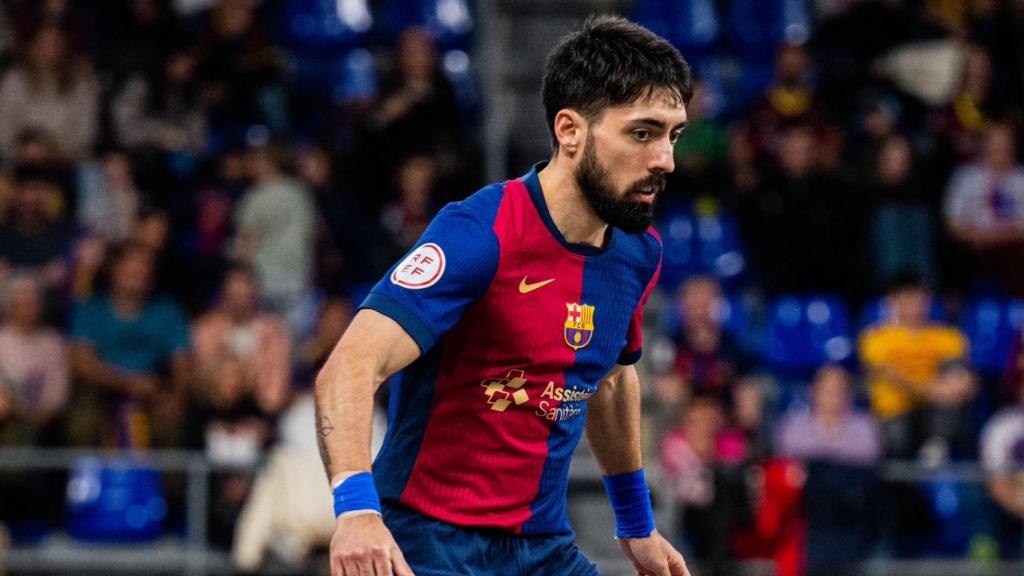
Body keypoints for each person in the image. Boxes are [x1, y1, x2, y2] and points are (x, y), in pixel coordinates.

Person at [314, 15, 692, 576]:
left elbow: (611, 380)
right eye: (642, 133)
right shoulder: (478, 234)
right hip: (427, 544)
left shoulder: (638, 254)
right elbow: (348, 368)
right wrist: (355, 510)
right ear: (570, 132)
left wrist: (636, 525)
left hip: (542, 550)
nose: (665, 159)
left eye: (672, 134)